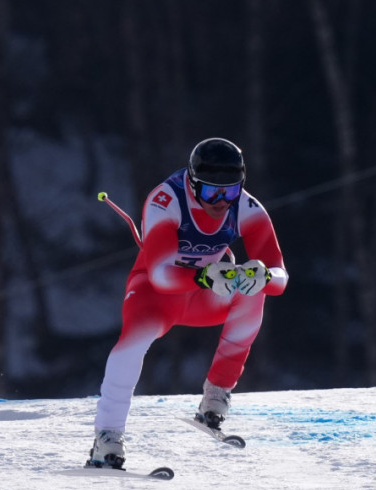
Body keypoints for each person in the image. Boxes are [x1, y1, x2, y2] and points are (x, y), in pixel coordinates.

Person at [88, 137, 288, 468]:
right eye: (211, 192)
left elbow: (280, 276)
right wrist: (205, 276)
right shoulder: (166, 201)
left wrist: (264, 275)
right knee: (131, 345)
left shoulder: (246, 207)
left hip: (207, 291)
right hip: (157, 293)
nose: (222, 201)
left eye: (230, 191)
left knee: (252, 293)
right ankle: (107, 437)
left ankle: (215, 398)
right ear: (193, 184)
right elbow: (162, 275)